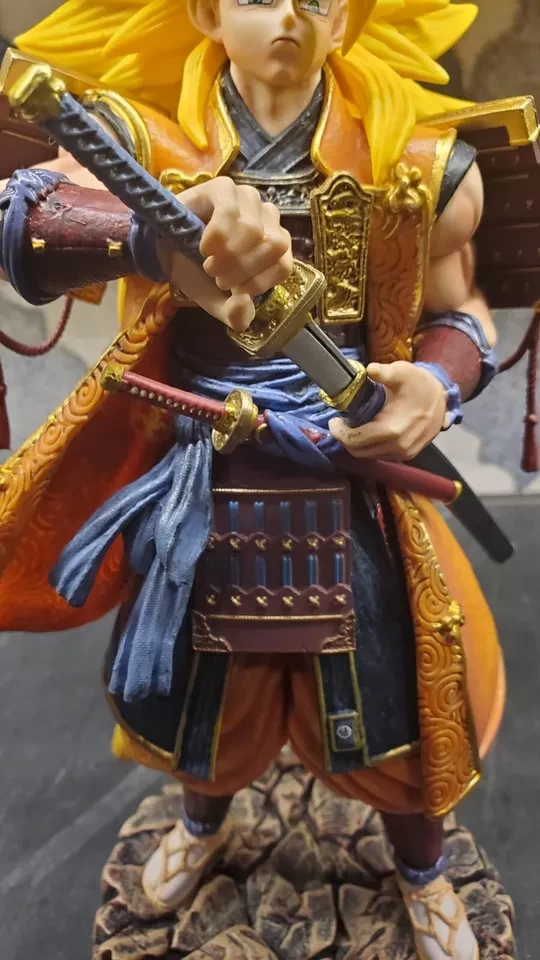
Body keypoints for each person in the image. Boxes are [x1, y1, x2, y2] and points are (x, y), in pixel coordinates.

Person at [0, 2, 507, 958]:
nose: (288, 13)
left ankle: (422, 866)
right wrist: (153, 237)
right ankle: (202, 823)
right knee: (198, 689)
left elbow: (462, 310)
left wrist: (434, 386)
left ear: (348, 21)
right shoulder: (145, 144)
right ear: (204, 12)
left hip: (346, 461)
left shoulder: (408, 163)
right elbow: (23, 222)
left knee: (389, 689)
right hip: (203, 465)